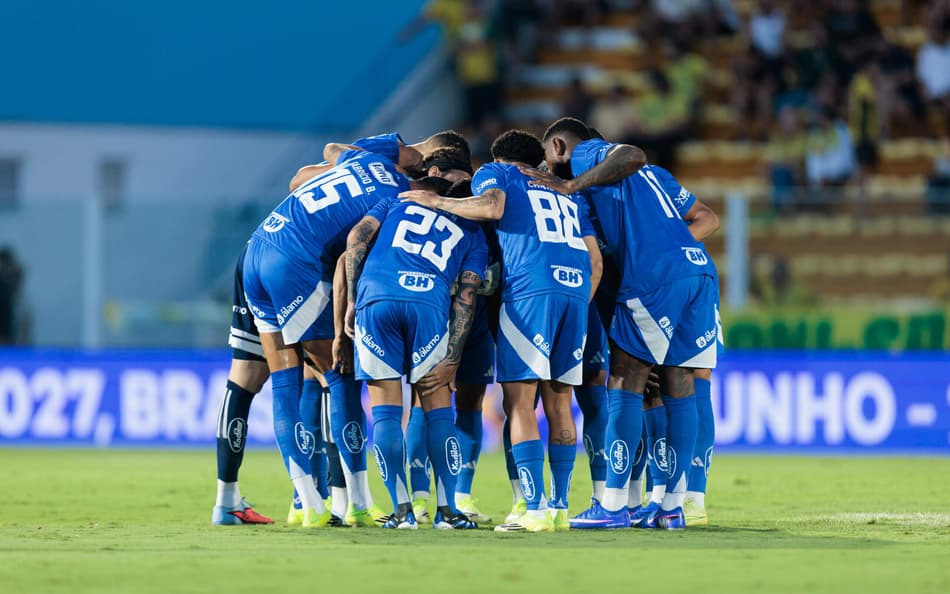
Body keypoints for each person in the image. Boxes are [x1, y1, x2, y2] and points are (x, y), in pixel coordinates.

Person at [240, 142, 452, 529]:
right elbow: (350, 251)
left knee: (287, 380)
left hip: (257, 249)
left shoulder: (366, 158)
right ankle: (354, 501)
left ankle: (308, 503)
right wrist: (344, 323)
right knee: (341, 374)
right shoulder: (397, 199)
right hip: (297, 262)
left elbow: (318, 162)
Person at [402, 129, 603, 533]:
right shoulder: (564, 190)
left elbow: (493, 207)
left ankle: (533, 507)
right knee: (561, 404)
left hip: (531, 294)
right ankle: (560, 506)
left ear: (500, 159)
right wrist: (576, 299)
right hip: (577, 295)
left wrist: (437, 200)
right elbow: (595, 260)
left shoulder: (497, 173)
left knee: (519, 403)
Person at [527, 117, 719, 530]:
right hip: (698, 270)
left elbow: (632, 153)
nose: (547, 172)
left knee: (625, 383)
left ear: (558, 146)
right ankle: (672, 506)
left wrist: (568, 185)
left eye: (547, 161)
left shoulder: (586, 157)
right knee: (679, 383)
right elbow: (702, 217)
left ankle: (613, 504)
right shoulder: (654, 180)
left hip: (653, 278)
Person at [344, 178, 485, 529]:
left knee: (386, 414)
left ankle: (402, 510)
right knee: (438, 410)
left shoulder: (397, 201)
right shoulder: (474, 230)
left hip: (376, 298)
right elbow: (466, 295)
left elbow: (356, 239)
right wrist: (452, 356)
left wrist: (351, 299)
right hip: (427, 304)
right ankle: (448, 511)